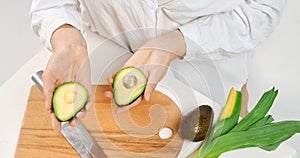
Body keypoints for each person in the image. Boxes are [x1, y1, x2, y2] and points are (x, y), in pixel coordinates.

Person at [30, 0, 286, 130]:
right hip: (105, 63)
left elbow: (263, 10)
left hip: (210, 82)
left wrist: (179, 42)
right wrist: (67, 39)